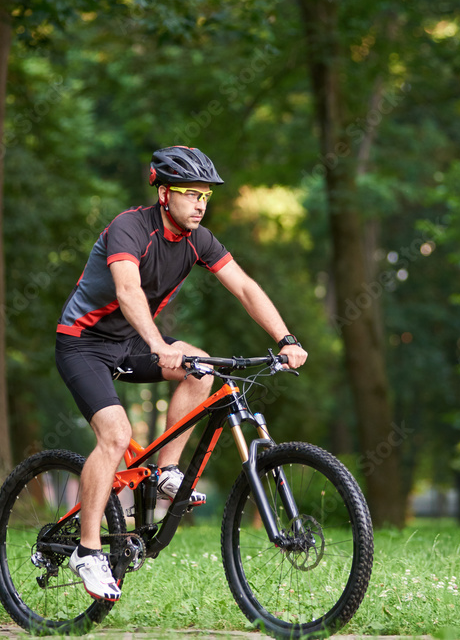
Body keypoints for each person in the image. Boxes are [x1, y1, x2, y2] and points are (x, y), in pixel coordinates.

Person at [54, 146, 308, 601]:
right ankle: (87, 551)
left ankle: (165, 470)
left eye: (206, 196)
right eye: (192, 194)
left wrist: (285, 338)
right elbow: (128, 291)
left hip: (130, 343)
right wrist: (157, 344)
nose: (200, 204)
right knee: (114, 434)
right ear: (165, 193)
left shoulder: (199, 240)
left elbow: (246, 288)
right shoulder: (130, 227)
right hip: (83, 343)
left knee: (201, 366)